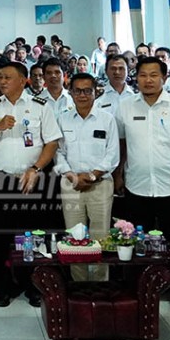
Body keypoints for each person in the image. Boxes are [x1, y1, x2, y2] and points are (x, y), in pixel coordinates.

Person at [115, 57, 170, 313]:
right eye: (143, 75)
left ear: (164, 78)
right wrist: (119, 174)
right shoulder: (126, 107)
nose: (148, 80)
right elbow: (121, 144)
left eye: (154, 75)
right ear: (137, 78)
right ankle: (137, 289)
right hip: (137, 186)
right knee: (135, 241)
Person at [0, 60, 60, 306]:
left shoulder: (41, 106)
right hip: (0, 180)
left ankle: (34, 284)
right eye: (0, 78)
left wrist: (35, 169)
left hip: (32, 179)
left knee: (33, 235)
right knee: (2, 236)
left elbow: (52, 142)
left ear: (23, 81)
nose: (2, 81)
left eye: (7, 78)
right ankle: (4, 285)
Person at [55, 73, 120, 283]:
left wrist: (92, 176)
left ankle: (100, 284)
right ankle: (80, 284)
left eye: (87, 91)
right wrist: (73, 176)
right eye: (78, 91)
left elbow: (113, 154)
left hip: (100, 185)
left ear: (96, 92)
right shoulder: (62, 119)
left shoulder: (107, 119)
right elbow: (57, 152)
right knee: (75, 237)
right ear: (71, 92)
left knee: (100, 236)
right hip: (71, 185)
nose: (82, 95)